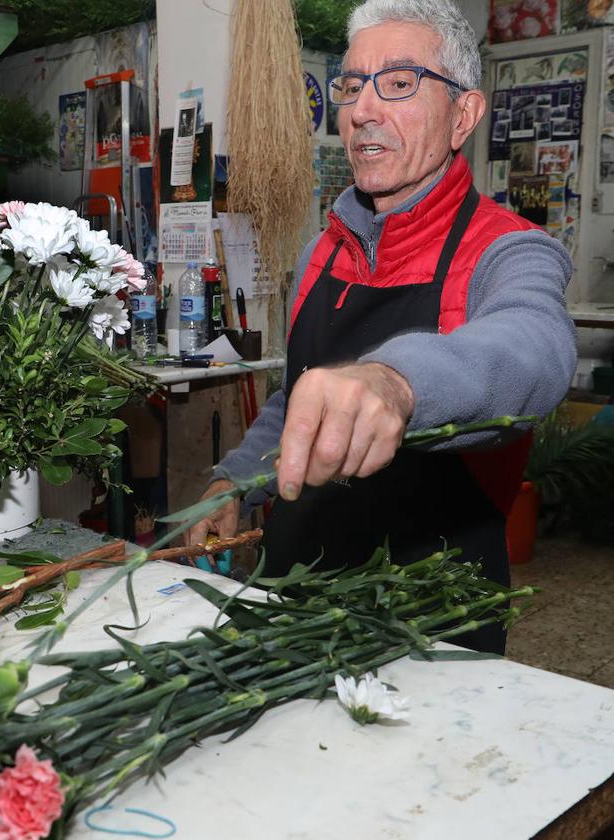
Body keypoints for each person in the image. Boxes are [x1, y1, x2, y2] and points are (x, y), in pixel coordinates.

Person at [185, 0, 576, 654]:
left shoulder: (507, 251)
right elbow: (297, 397)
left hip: (427, 622)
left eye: (398, 83)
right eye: (351, 85)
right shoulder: (324, 251)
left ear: (464, 115)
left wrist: (395, 384)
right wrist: (237, 480)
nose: (362, 109)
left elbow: (535, 349)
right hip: (298, 600)